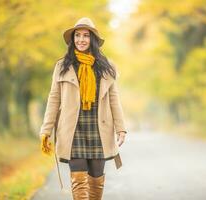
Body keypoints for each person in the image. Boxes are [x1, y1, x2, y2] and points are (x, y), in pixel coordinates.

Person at [39, 17, 127, 200]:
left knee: (96, 178)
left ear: (92, 39)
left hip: (98, 127)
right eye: (77, 35)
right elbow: (54, 98)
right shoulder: (63, 66)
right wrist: (46, 129)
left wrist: (121, 128)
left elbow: (113, 98)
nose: (81, 39)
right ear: (72, 40)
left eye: (85, 36)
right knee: (79, 180)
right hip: (73, 129)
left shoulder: (106, 67)